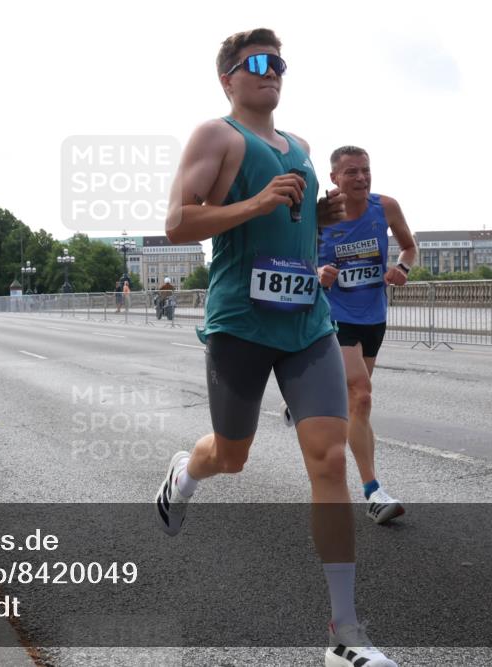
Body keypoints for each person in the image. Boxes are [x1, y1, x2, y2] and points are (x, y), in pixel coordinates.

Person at [156, 28, 396, 667]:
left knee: (328, 456)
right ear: (228, 79)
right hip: (240, 322)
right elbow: (178, 222)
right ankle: (186, 471)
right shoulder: (217, 136)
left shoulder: (302, 146)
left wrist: (318, 216)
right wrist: (257, 201)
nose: (271, 71)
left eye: (279, 62)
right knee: (230, 457)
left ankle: (345, 634)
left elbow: (289, 222)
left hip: (307, 324)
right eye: (256, 63)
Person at [311, 145, 417, 525]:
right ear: (334, 179)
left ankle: (315, 396)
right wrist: (318, 271)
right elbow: (299, 258)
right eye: (351, 172)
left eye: (365, 170)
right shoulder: (319, 217)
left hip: (373, 315)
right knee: (362, 393)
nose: (360, 177)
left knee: (358, 404)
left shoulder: (385, 207)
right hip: (334, 314)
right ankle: (373, 491)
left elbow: (409, 246)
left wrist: (402, 269)